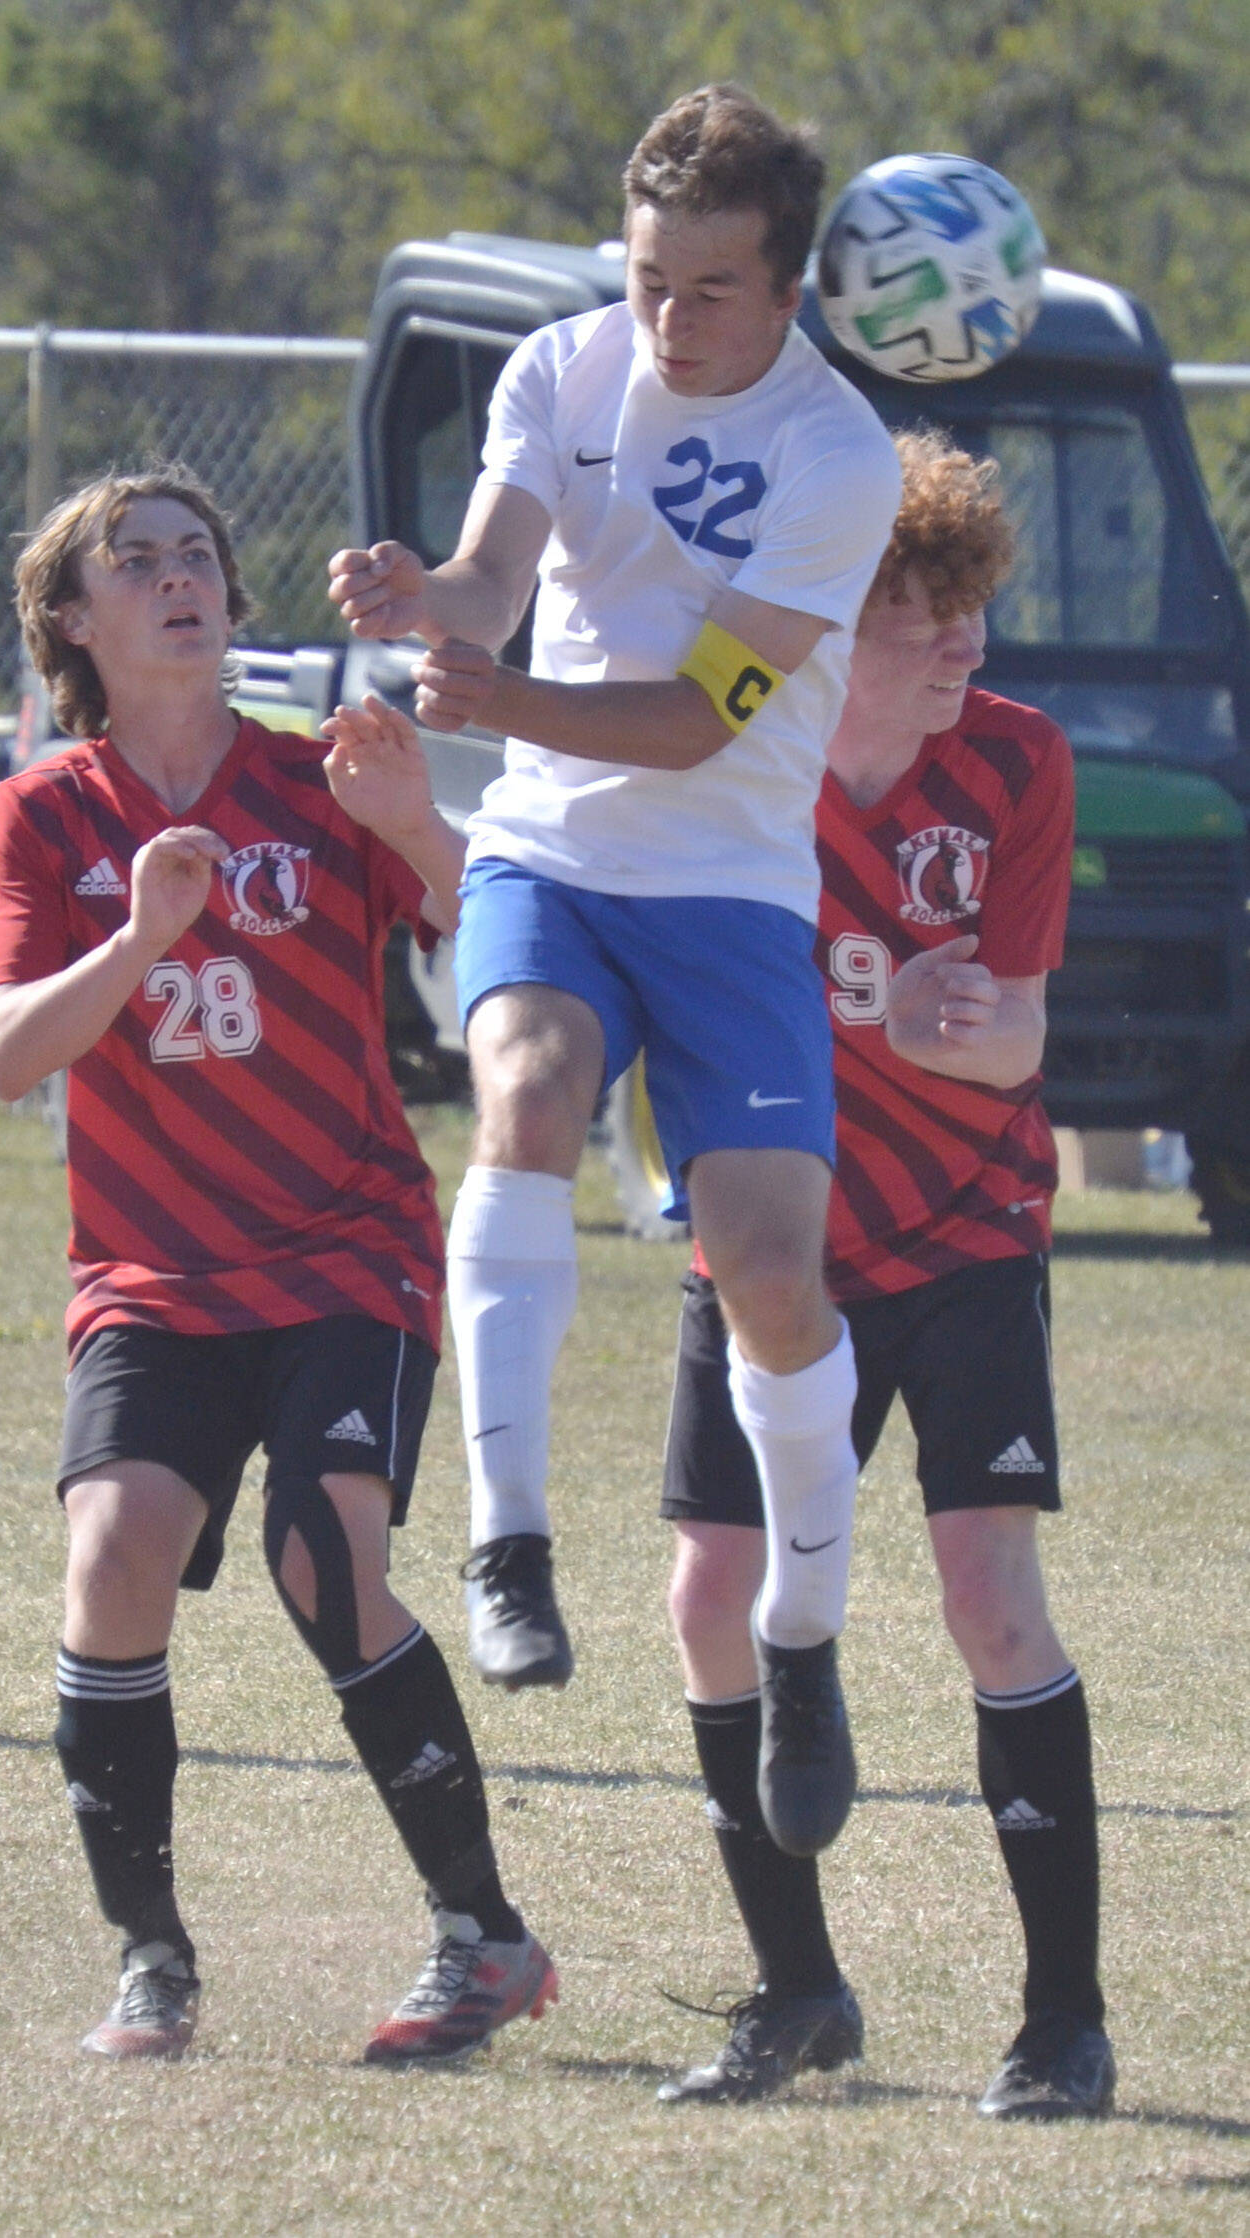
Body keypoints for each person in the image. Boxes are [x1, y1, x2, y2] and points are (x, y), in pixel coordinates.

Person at [330, 85, 902, 1860]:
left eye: (711, 289)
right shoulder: (562, 368)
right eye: (649, 276)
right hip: (552, 857)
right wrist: (429, 596)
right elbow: (494, 575)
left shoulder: (839, 455)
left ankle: (803, 1632)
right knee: (523, 1091)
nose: (668, 318)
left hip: (731, 885)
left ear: (789, 290)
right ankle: (507, 1540)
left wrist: (504, 695)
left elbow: (698, 717)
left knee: (773, 1275)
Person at [0, 463, 555, 2064]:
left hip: (345, 1245)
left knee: (323, 1553)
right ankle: (152, 1957)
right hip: (151, 1274)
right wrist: (135, 940)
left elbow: (498, 926)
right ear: (74, 619)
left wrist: (412, 818)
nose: (180, 578)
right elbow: (5, 1053)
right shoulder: (43, 816)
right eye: (136, 560)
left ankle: (484, 1936)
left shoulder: (318, 777)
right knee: (113, 1555)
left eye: (198, 556)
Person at [656, 430, 1114, 2121]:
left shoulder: (1017, 760)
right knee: (711, 1596)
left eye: (970, 600)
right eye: (918, 610)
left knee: (990, 1596)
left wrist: (946, 1025)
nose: (960, 639)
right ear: (829, 622)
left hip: (968, 1233)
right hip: (770, 1242)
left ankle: (1062, 2021)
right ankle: (797, 1990)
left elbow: (1021, 1038)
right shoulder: (734, 772)